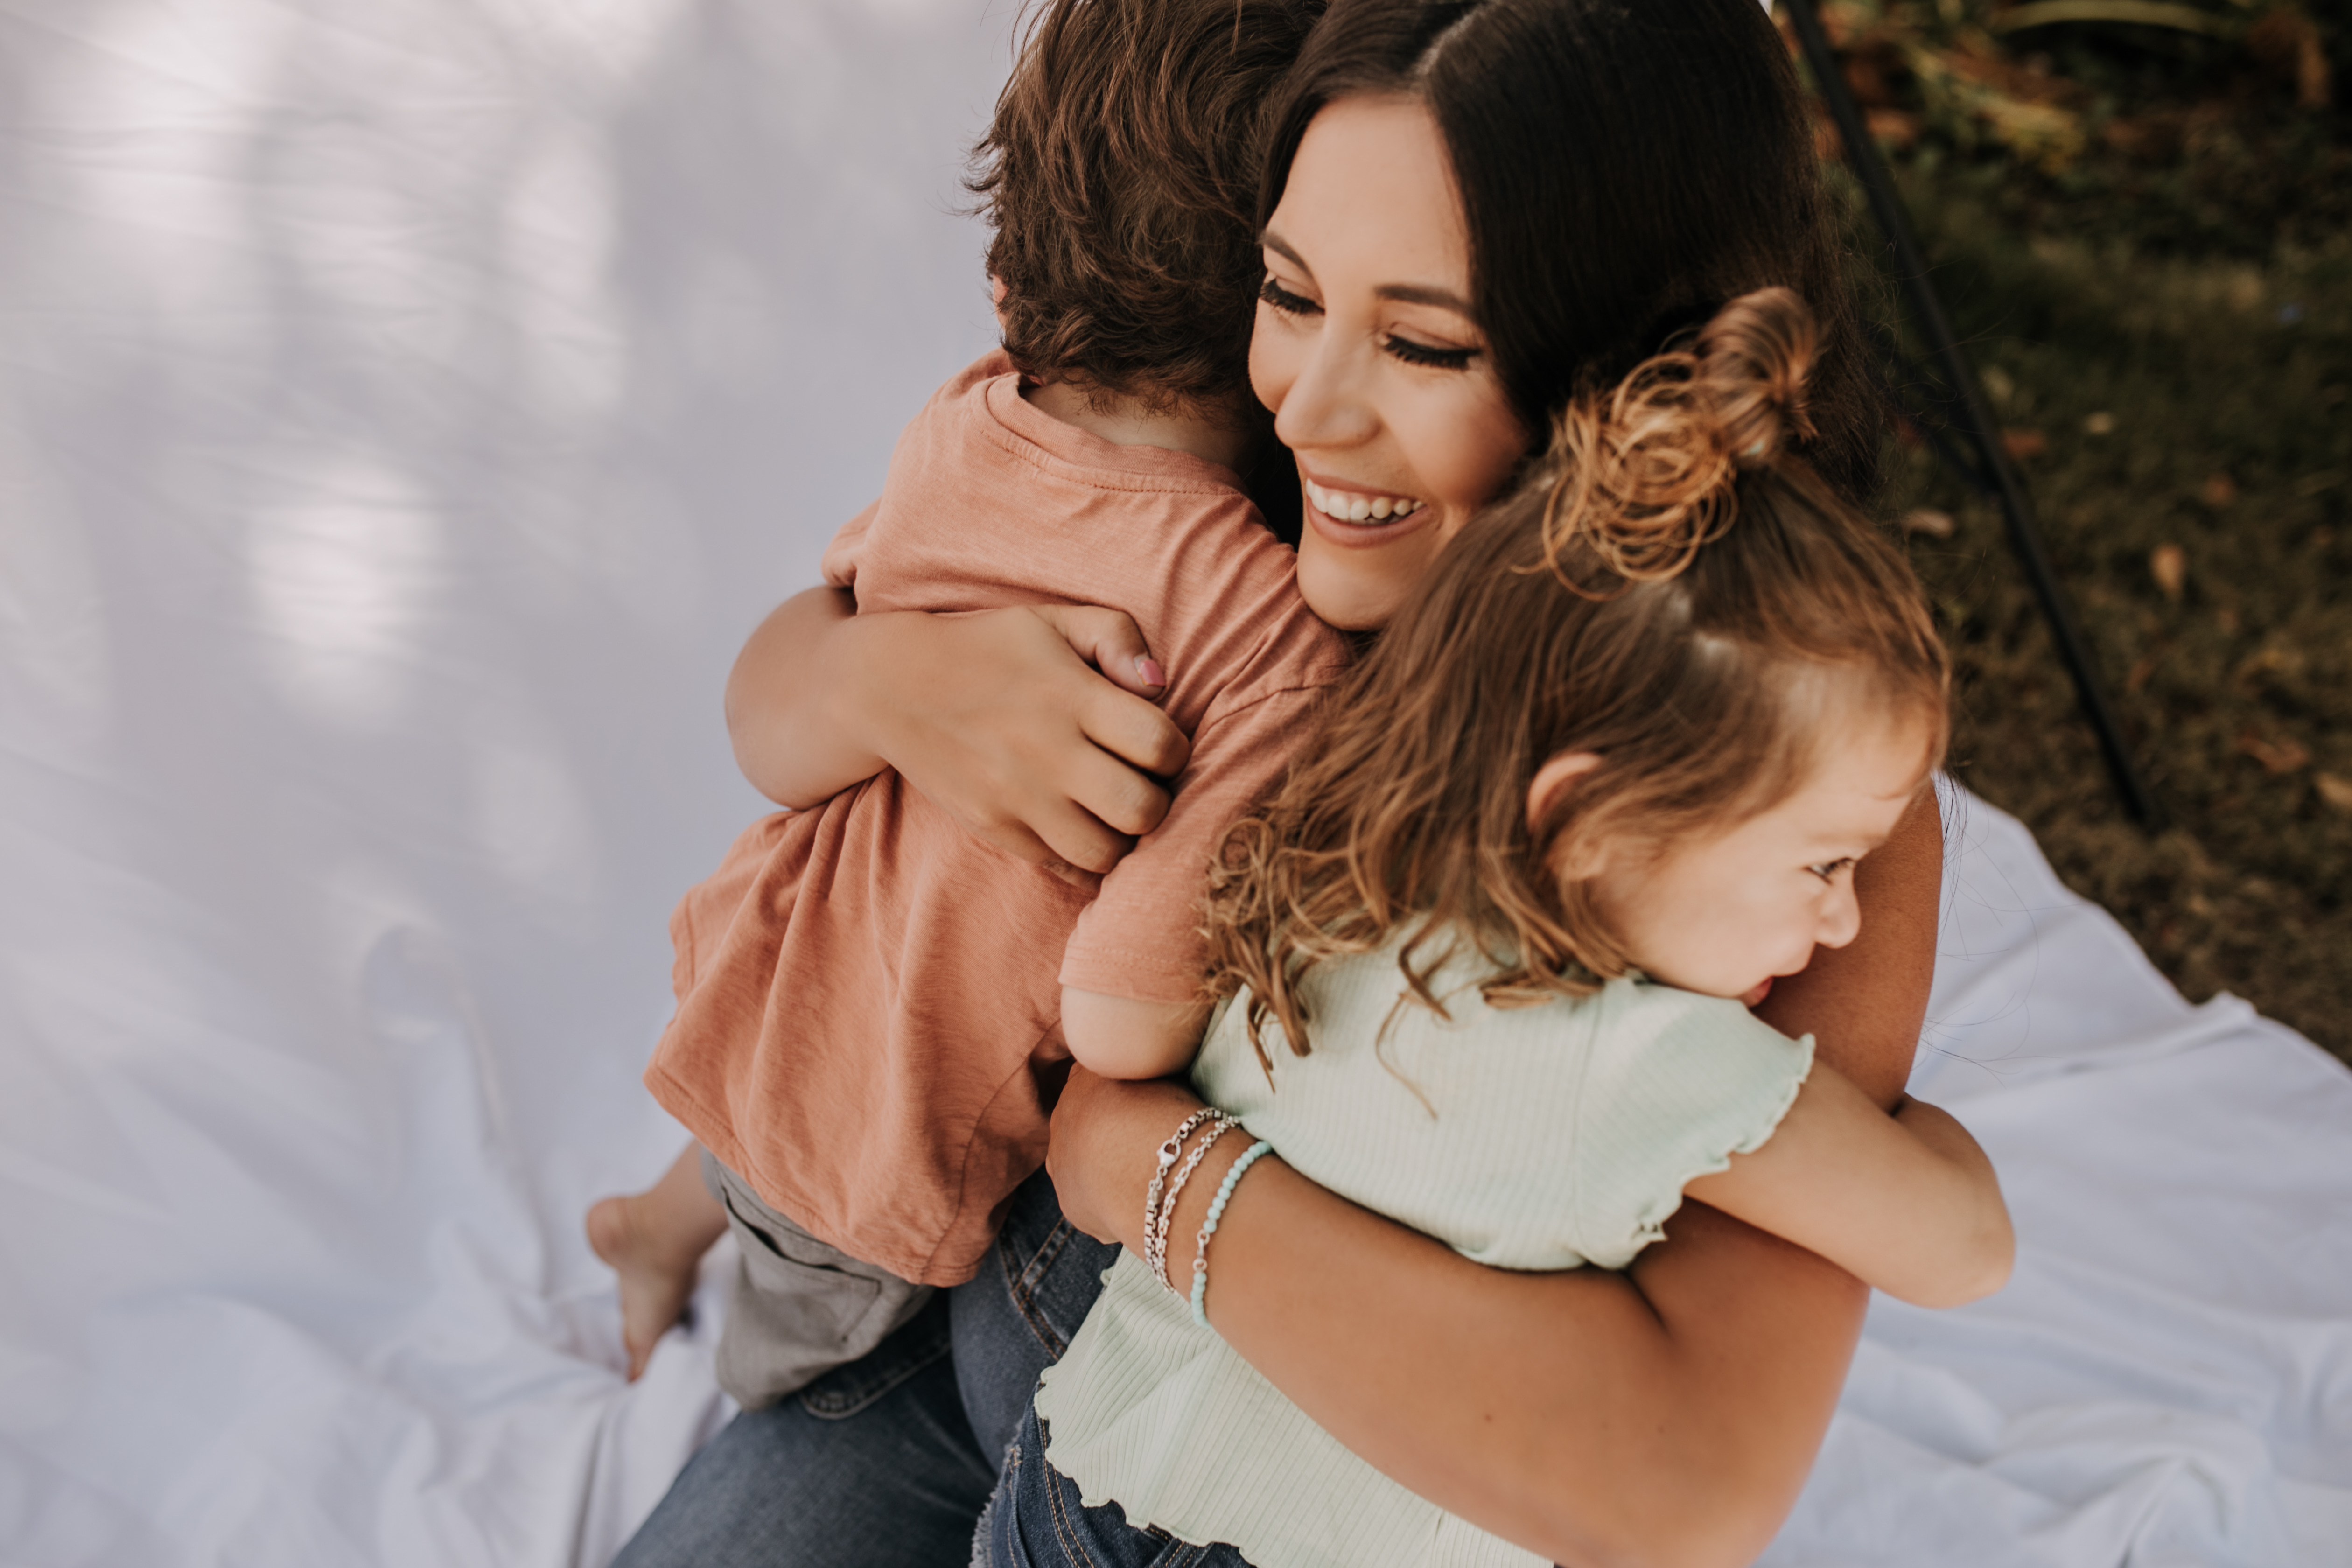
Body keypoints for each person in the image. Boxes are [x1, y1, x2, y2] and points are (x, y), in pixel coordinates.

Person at [619, 2, 1943, 1564]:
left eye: (1426, 341)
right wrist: (883, 684)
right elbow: (809, 653)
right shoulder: (1241, 509)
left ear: (1635, 375)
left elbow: (1681, 1486)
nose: (1303, 406)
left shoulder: (1761, 785)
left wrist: (1149, 1161)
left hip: (1222, 1492)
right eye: (1289, 292)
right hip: (945, 1347)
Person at [987, 288, 2014, 1568]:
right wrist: (1912, 1132)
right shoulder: (1649, 1064)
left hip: (1078, 1486)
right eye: (1818, 863)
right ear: (1586, 823)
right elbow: (1966, 1246)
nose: (1846, 918)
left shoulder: (1333, 866)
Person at [585, 0, 1342, 1404]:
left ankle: (647, 1228)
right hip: (893, 1128)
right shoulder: (1264, 620)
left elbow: (835, 616)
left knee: (772, 1105)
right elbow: (1125, 1007)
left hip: (788, 950)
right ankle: (691, 1312)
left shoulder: (971, 420)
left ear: (1008, 283)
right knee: (794, 1343)